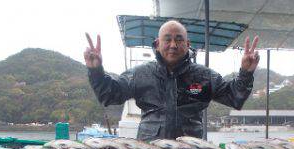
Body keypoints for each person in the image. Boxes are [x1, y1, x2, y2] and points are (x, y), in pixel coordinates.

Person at [85, 20, 259, 141]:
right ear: (157, 43)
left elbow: (234, 96)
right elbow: (109, 95)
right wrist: (95, 70)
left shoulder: (205, 76)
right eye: (167, 39)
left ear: (187, 43)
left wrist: (245, 72)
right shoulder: (139, 74)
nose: (173, 45)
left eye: (179, 39)